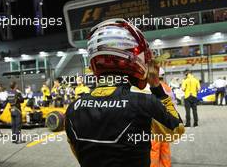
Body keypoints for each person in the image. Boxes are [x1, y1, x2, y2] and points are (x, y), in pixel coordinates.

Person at [65, 18, 184, 167]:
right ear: (136, 60)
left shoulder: (72, 109)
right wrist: (156, 88)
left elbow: (78, 153)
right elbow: (176, 130)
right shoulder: (143, 102)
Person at [150, 68, 176, 167]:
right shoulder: (168, 88)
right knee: (165, 149)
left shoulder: (150, 88)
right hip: (166, 124)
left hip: (155, 125)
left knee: (154, 149)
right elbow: (173, 106)